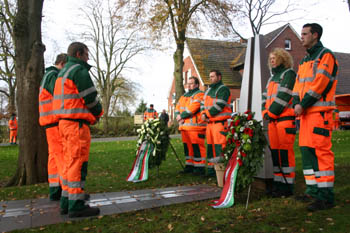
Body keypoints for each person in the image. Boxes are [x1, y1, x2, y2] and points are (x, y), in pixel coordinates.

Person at [52, 42, 103, 218]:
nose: (88, 58)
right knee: (78, 163)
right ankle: (76, 205)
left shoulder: (63, 72)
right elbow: (90, 98)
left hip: (63, 124)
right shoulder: (78, 71)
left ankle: (66, 202)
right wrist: (98, 113)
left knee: (68, 163)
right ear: (80, 53)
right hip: (76, 125)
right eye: (87, 54)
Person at [293, 23, 338, 211]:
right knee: (308, 154)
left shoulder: (325, 56)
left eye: (304, 34)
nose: (301, 37)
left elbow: (320, 84)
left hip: (319, 114)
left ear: (315, 35)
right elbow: (297, 86)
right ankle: (313, 192)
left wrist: (301, 105)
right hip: (305, 116)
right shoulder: (304, 61)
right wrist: (297, 103)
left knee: (321, 155)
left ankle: (326, 197)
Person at [262, 48, 297, 198]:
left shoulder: (288, 74)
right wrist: (265, 112)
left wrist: (270, 113)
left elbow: (284, 96)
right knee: (275, 153)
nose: (272, 60)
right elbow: (265, 98)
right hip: (273, 121)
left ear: (283, 58)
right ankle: (278, 183)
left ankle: (287, 185)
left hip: (284, 120)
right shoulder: (271, 79)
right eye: (270, 58)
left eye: (274, 57)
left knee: (285, 152)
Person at [39, 53, 67, 201]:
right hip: (55, 122)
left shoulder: (48, 75)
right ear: (62, 63)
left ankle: (55, 188)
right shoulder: (53, 76)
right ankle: (67, 192)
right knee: (62, 156)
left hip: (50, 122)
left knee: (54, 157)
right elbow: (61, 94)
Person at [201, 70, 232, 176]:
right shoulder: (208, 91)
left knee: (220, 147)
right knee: (210, 147)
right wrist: (203, 114)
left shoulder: (223, 89)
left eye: (213, 76)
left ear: (219, 77)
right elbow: (202, 104)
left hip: (220, 124)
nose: (211, 79)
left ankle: (222, 171)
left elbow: (220, 105)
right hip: (210, 124)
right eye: (210, 77)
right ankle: (211, 171)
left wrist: (206, 115)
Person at [175, 77, 207, 175]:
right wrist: (178, 116)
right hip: (185, 127)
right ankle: (189, 166)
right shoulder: (184, 96)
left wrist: (181, 116)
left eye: (191, 83)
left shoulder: (200, 94)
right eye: (187, 83)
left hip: (196, 127)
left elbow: (193, 108)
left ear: (197, 85)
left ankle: (199, 168)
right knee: (187, 148)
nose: (188, 85)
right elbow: (177, 107)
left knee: (197, 148)